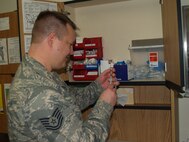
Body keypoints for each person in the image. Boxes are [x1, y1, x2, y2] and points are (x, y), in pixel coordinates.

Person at [7, 10, 119, 142]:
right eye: (70, 44)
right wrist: (104, 106)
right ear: (52, 40)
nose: (71, 52)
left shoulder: (39, 74)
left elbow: (68, 102)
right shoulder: (40, 94)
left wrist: (98, 87)